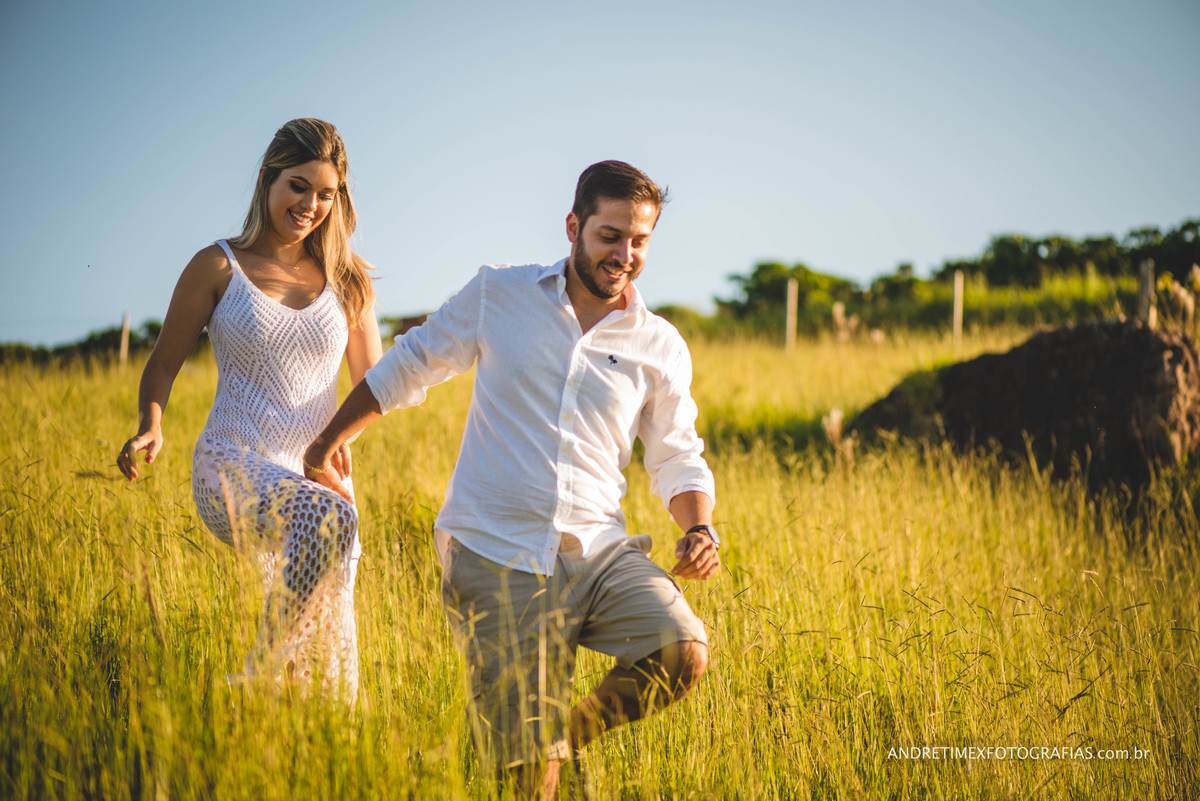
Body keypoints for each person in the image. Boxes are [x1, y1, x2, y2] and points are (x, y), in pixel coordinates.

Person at [303, 160, 720, 795]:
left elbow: (676, 453)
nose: (624, 255)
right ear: (574, 227)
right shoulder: (500, 293)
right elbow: (412, 363)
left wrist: (699, 527)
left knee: (681, 650)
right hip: (497, 555)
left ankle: (558, 741)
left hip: (600, 553)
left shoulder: (659, 344)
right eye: (610, 236)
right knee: (530, 784)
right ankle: (532, 755)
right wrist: (328, 440)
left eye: (639, 241)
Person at [116, 118, 383, 701]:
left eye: (326, 194)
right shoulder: (217, 266)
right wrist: (150, 425)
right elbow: (162, 364)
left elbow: (375, 388)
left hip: (315, 476)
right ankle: (256, 675)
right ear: (266, 179)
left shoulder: (348, 281)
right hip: (231, 463)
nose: (310, 205)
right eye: (298, 186)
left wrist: (336, 445)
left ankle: (281, 728)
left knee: (327, 671)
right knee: (328, 520)